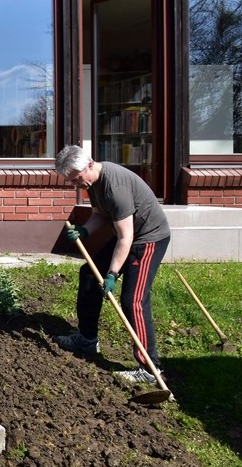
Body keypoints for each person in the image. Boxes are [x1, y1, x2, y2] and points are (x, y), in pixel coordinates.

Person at [54, 145, 171, 384]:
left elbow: (126, 238)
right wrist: (85, 230)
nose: (76, 185)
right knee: (89, 274)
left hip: (147, 239)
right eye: (71, 182)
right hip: (126, 237)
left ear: (90, 164)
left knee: (133, 301)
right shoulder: (92, 182)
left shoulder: (115, 187)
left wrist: (112, 274)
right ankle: (87, 339)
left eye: (76, 179)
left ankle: (150, 369)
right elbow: (99, 214)